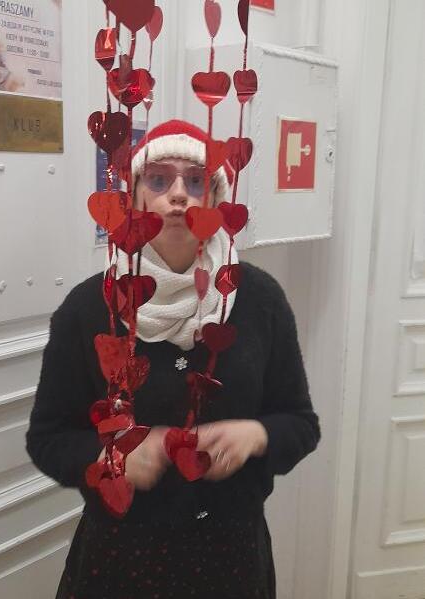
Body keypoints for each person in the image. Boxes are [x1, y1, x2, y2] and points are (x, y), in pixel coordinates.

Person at [26, 119, 321, 599]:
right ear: (135, 196)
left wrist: (256, 435)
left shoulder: (259, 300)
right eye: (159, 179)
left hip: (230, 560)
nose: (179, 194)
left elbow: (301, 423)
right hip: (119, 561)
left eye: (196, 181)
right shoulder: (89, 308)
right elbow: (48, 438)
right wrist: (107, 458)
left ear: (217, 196)